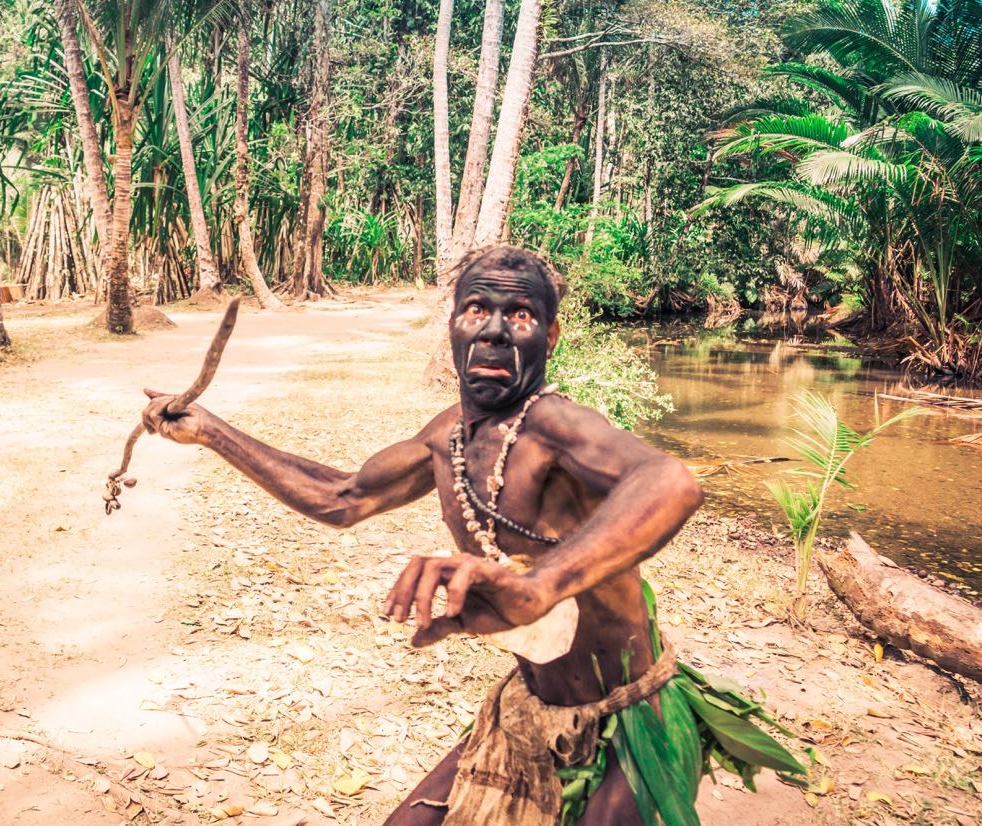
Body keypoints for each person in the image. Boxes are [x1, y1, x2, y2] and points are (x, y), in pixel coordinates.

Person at [141, 246, 803, 825]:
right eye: (475, 311)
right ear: (453, 327)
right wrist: (211, 432)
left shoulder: (557, 426)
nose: (493, 332)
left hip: (630, 715)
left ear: (551, 336)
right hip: (529, 712)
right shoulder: (447, 438)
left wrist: (541, 584)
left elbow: (670, 481)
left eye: (519, 316)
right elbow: (342, 498)